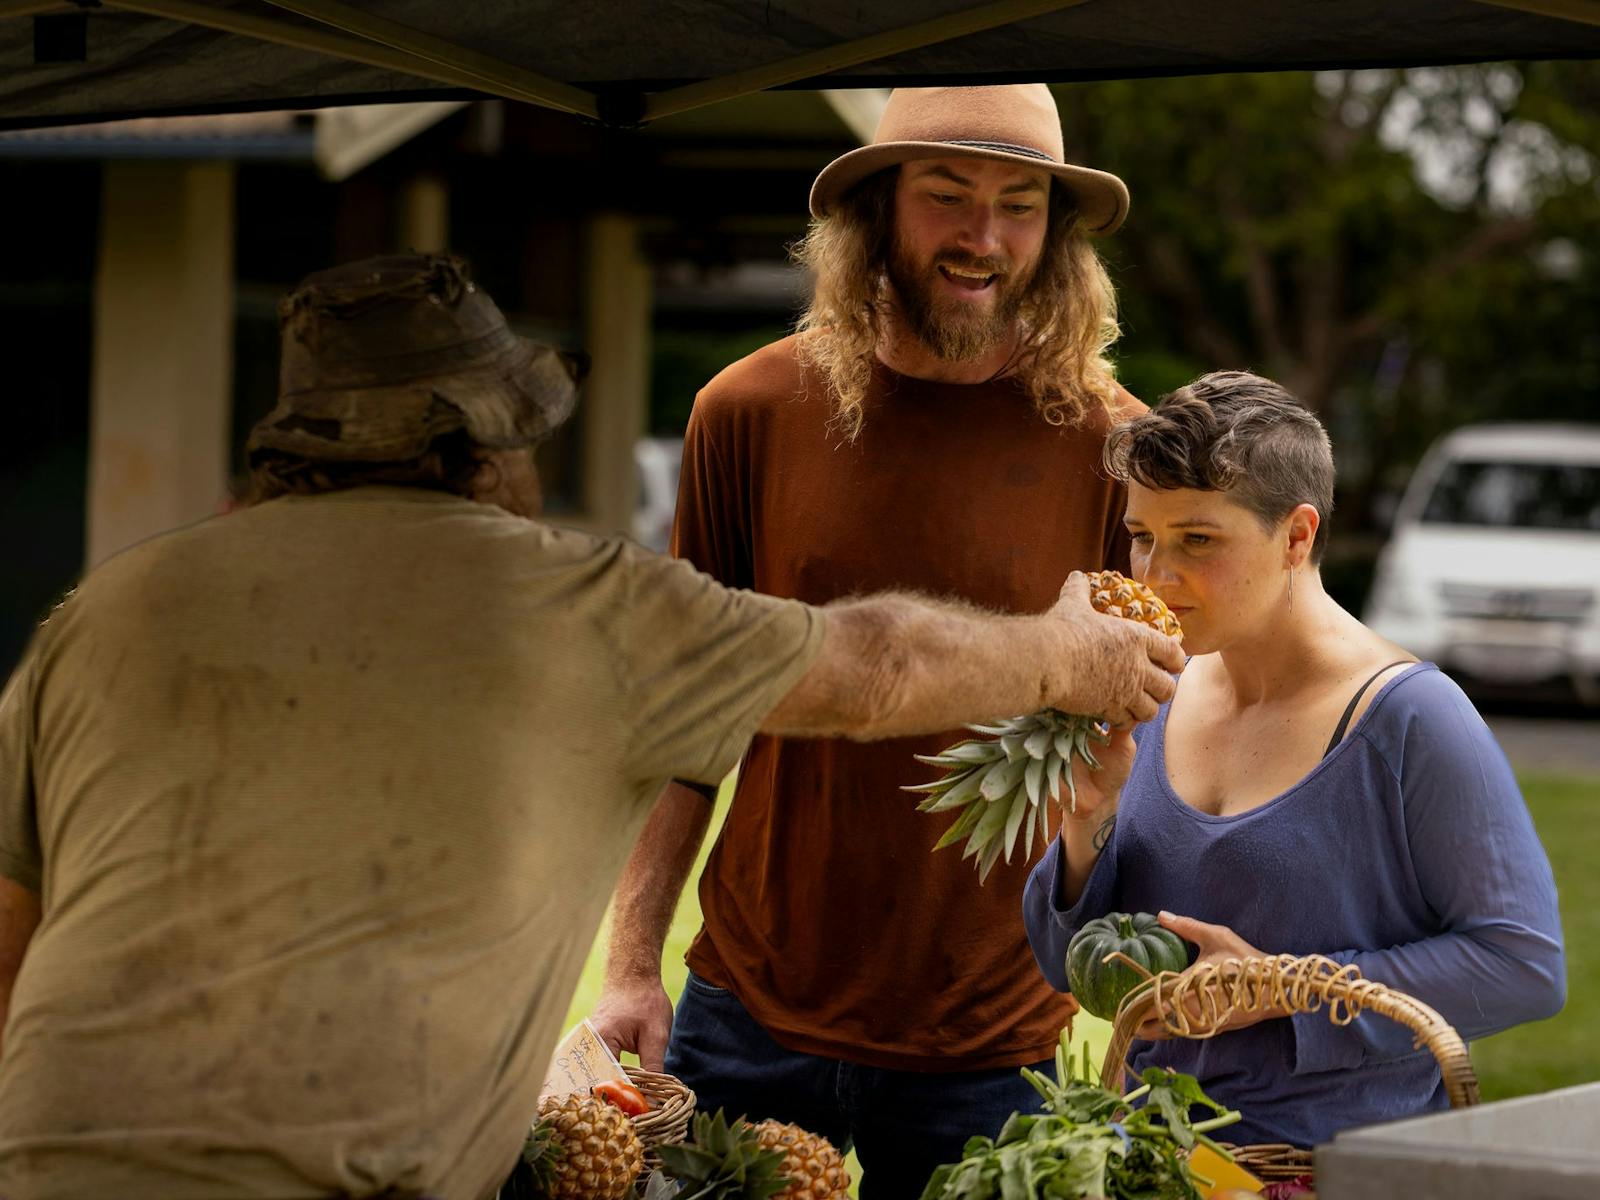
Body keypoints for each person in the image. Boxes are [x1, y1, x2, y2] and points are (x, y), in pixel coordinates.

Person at [0, 254, 1182, 1200]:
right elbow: (876, 667)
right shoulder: (573, 605)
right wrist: (1064, 653)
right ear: (486, 449)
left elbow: (14, 929)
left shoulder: (104, 610)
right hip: (358, 1170)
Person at [592, 84, 1144, 1196]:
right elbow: (688, 722)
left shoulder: (1113, 443)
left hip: (989, 1039)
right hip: (748, 1009)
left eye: (1019, 205)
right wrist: (629, 965)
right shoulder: (746, 411)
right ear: (878, 209)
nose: (983, 238)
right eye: (946, 196)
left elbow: (1147, 745)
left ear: (1056, 233)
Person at [1022, 371, 1566, 1148]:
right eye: (1143, 536)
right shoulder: (1154, 689)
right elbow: (1063, 964)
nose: (1155, 576)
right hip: (1152, 1164)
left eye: (1198, 541)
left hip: (1341, 1170)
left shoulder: (1411, 718)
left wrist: (1280, 989)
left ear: (1298, 536)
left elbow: (1523, 966)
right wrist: (1088, 820)